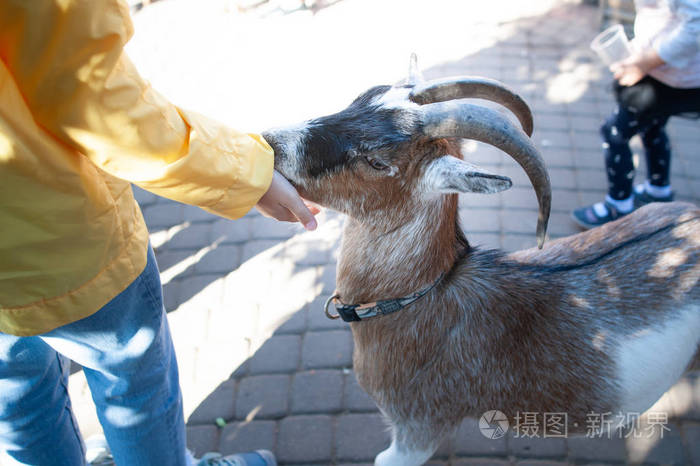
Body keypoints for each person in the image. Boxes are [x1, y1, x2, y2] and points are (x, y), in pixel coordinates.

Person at [0, 1, 319, 465]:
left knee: (20, 403)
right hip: (63, 246)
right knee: (137, 396)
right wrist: (248, 176)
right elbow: (94, 100)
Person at [572, 0, 700, 228]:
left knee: (614, 131)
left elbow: (696, 25)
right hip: (666, 71)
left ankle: (618, 208)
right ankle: (658, 191)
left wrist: (643, 63)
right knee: (652, 125)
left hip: (670, 77)